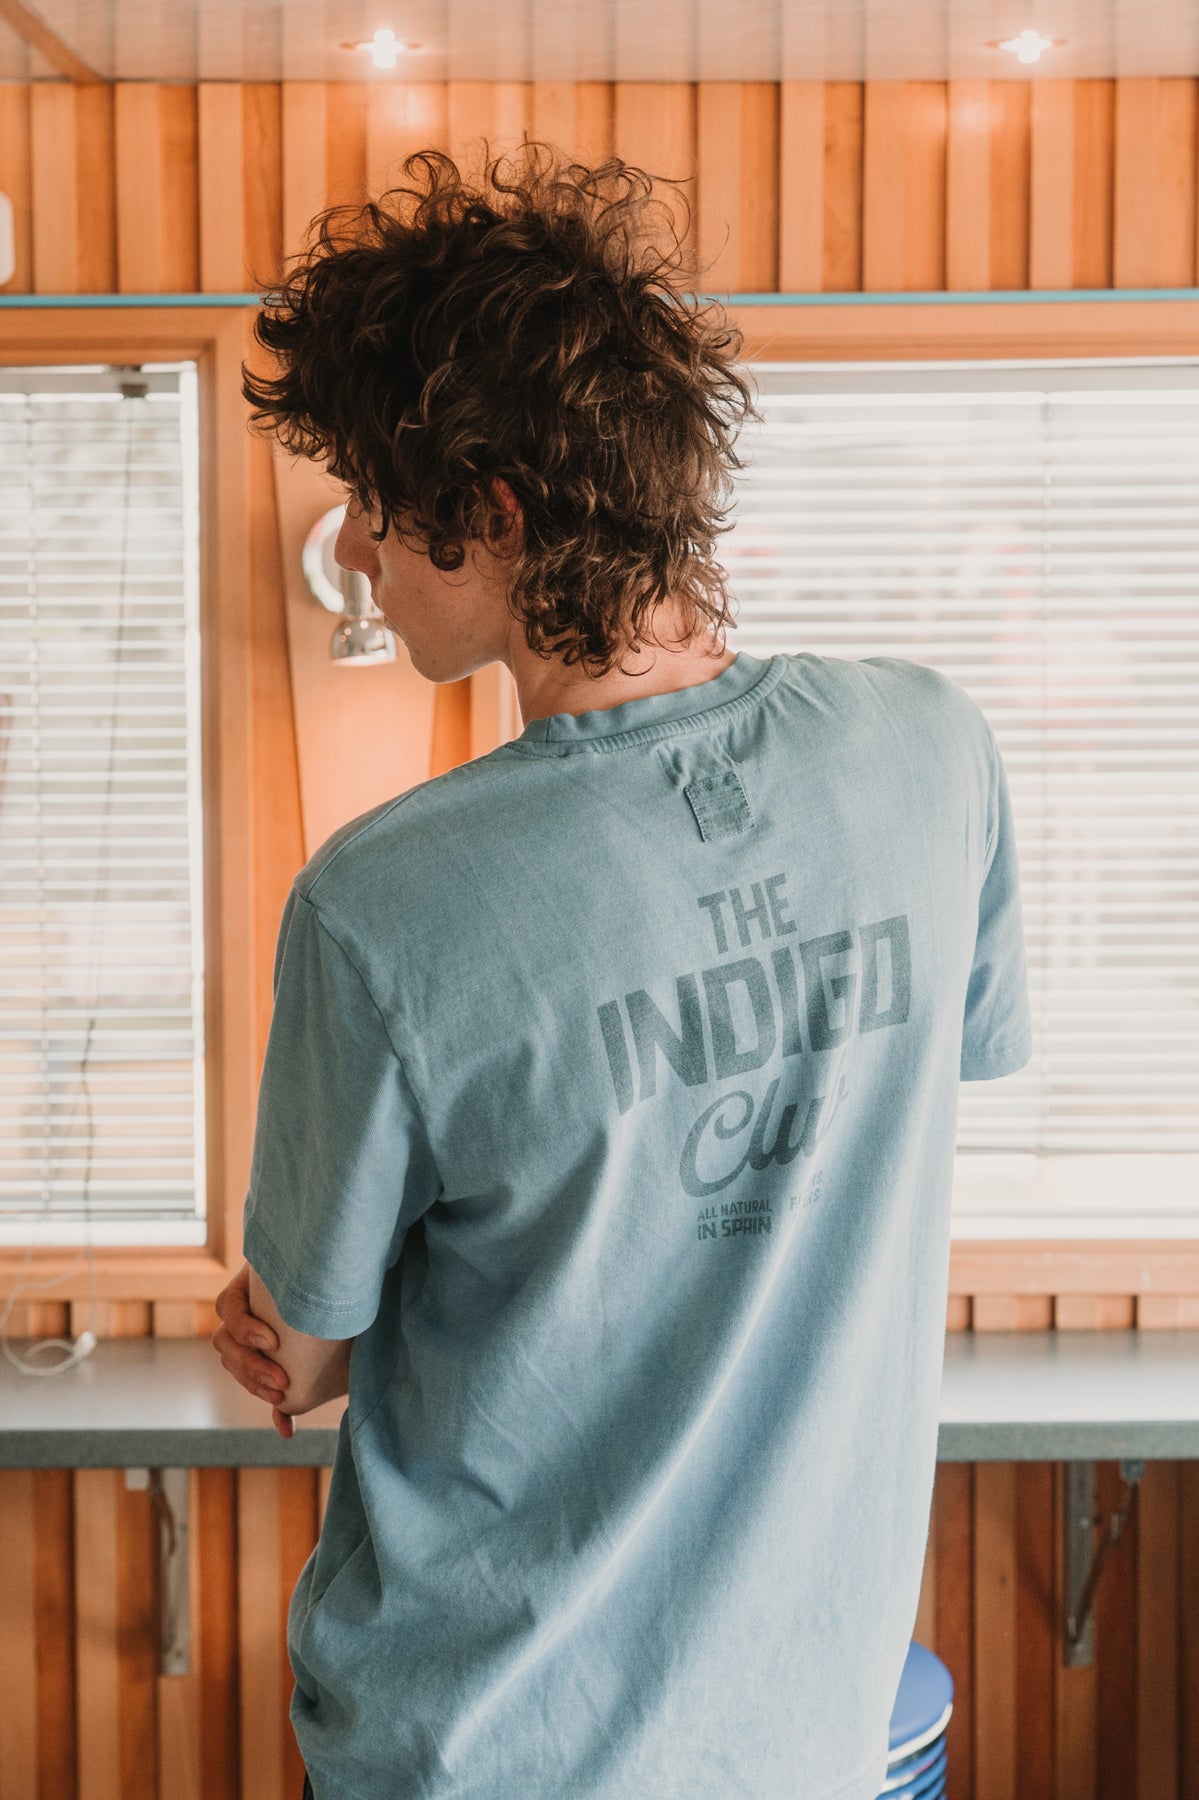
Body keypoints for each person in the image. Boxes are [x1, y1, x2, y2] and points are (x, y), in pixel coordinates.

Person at [212, 142, 1032, 1800]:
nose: (354, 547)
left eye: (372, 499)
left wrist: (307, 1319)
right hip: (808, 1747)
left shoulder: (379, 904)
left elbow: (300, 1355)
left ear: (494, 512)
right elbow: (873, 1117)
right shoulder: (935, 752)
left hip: (484, 1755)